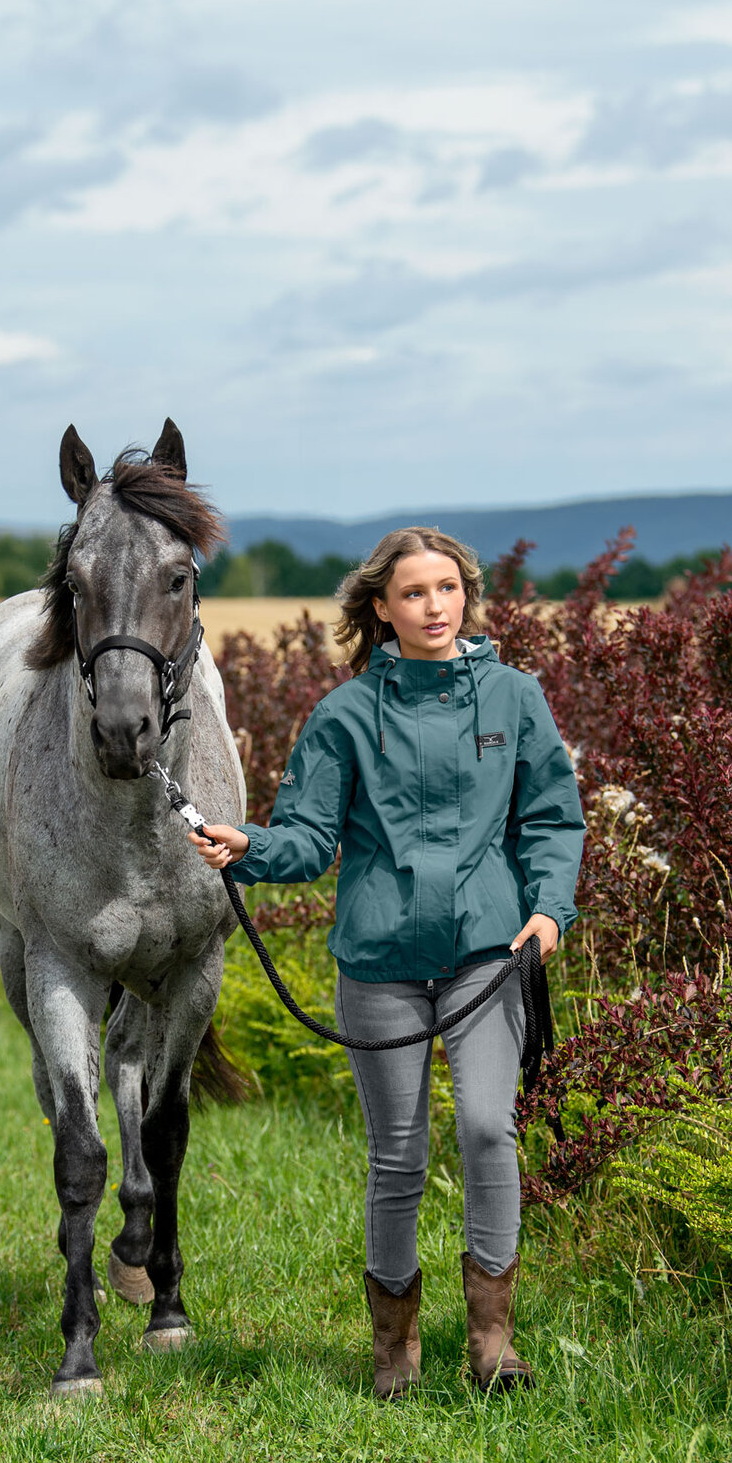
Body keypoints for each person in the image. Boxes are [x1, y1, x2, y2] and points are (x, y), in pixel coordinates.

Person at [189, 527, 584, 1399]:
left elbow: (554, 818)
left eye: (448, 589)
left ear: (466, 598)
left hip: (489, 953)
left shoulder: (516, 700)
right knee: (398, 1156)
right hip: (379, 963)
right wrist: (246, 845)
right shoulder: (343, 717)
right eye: (414, 593)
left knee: (489, 1128)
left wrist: (550, 907)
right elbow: (309, 840)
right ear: (380, 607)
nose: (435, 607)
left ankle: (492, 1340)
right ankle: (395, 1352)